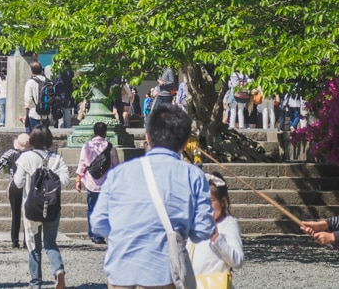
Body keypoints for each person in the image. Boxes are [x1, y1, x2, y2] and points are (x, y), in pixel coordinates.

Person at [91, 105, 216, 289]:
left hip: (121, 272)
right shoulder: (193, 176)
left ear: (147, 137)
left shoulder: (119, 173)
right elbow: (204, 229)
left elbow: (98, 222)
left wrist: (125, 237)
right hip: (164, 274)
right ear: (185, 143)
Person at [14, 125, 70, 289]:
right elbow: (65, 179)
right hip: (52, 206)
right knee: (50, 242)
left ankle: (35, 282)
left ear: (32, 139)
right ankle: (58, 270)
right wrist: (50, 181)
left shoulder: (25, 157)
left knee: (33, 244)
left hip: (32, 207)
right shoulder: (56, 158)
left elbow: (18, 183)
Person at [190, 172, 244, 277]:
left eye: (211, 201)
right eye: (202, 201)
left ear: (223, 201)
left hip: (214, 283)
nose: (206, 206)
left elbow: (238, 260)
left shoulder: (228, 224)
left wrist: (217, 239)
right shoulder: (196, 223)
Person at [74, 121, 119, 244]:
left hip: (91, 182)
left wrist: (78, 179)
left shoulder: (87, 146)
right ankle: (101, 234)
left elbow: (82, 164)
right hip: (106, 184)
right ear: (105, 132)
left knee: (91, 208)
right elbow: (116, 166)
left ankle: (93, 234)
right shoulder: (110, 147)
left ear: (94, 132)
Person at [23, 61, 50, 132]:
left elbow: (28, 99)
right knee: (44, 135)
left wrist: (26, 106)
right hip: (46, 113)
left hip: (34, 113)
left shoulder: (30, 82)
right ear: (41, 70)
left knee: (35, 135)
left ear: (31, 71)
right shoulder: (48, 81)